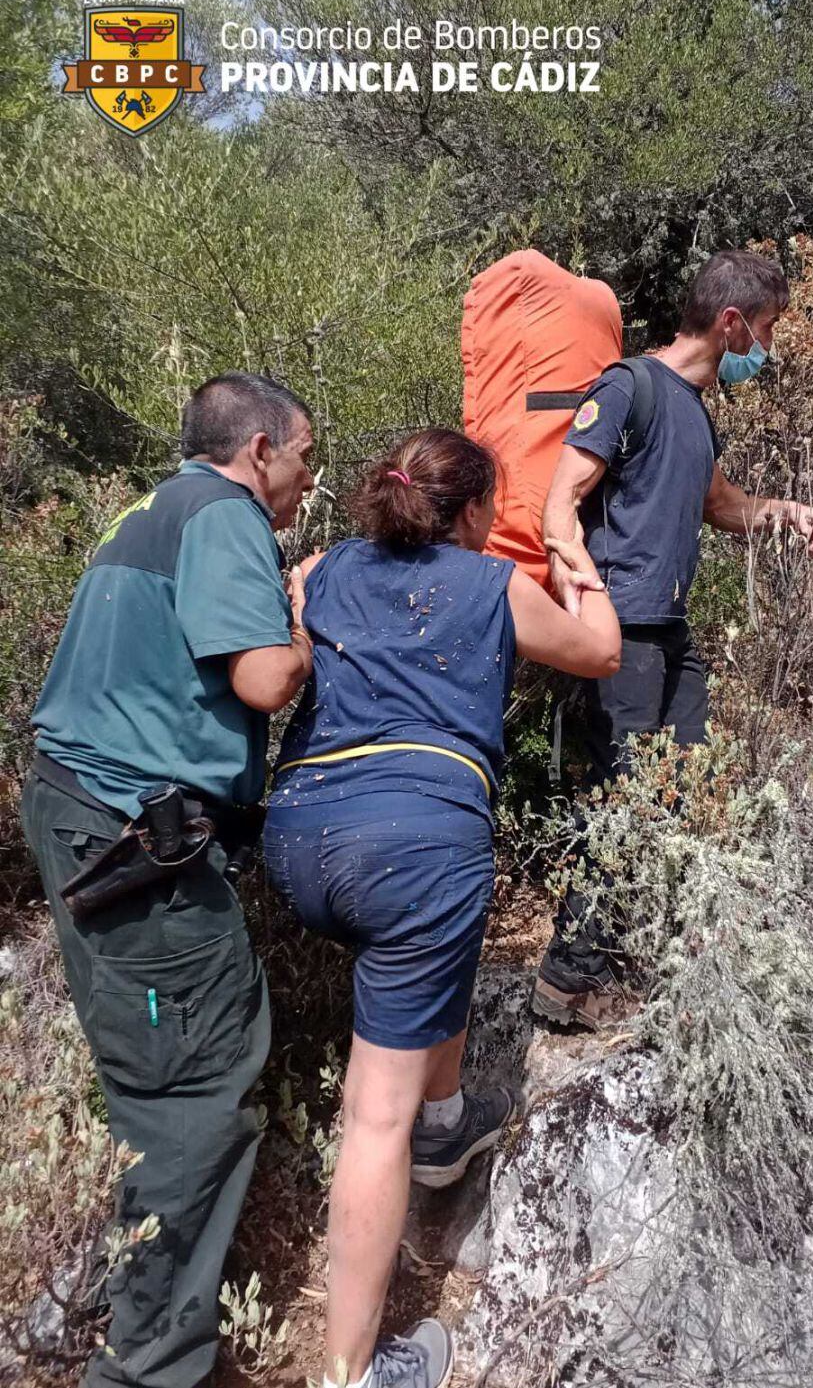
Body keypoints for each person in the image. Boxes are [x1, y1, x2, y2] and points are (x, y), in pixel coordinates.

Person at [262, 427, 620, 1388]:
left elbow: (289, 618)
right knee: (373, 1116)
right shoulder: (491, 585)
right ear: (470, 514)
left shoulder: (321, 568)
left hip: (299, 838)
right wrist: (573, 549)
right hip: (417, 840)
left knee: (428, 945)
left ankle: (448, 1117)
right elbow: (601, 648)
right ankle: (350, 1371)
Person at [20, 371, 316, 1388]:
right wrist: (304, 618)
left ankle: (117, 1313)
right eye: (306, 458)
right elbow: (263, 678)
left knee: (158, 1074)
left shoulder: (147, 510)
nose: (308, 481)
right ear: (261, 450)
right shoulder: (227, 514)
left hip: (83, 815)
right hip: (132, 839)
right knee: (193, 1084)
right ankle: (146, 1366)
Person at [533, 249, 813, 1029]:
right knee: (624, 802)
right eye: (764, 330)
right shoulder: (628, 387)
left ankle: (653, 951)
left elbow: (719, 503)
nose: (765, 348)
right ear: (731, 322)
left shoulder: (696, 411)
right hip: (620, 633)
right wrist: (580, 593)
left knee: (684, 790)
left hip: (669, 634)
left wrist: (782, 512)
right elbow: (558, 502)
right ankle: (567, 982)